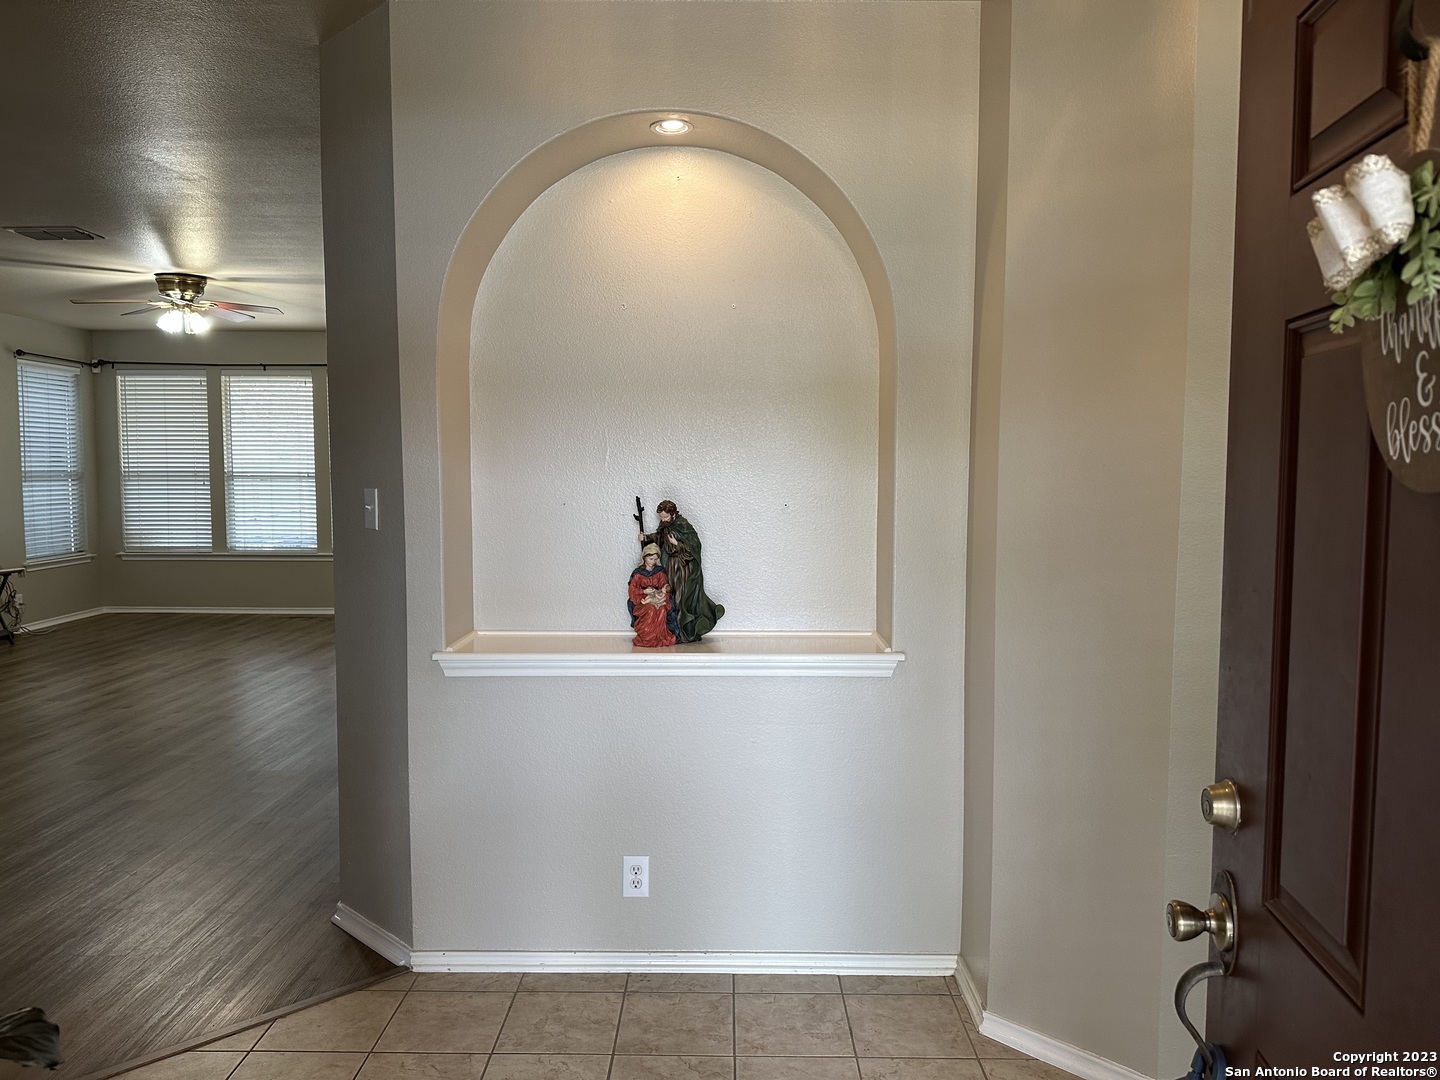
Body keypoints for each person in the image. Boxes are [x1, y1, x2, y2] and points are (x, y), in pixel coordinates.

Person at [638, 500, 724, 643]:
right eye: (661, 517)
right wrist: (646, 537)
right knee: (670, 595)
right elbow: (660, 537)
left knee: (682, 597)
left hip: (684, 568)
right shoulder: (665, 525)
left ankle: (685, 631)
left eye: (665, 517)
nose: (663, 520)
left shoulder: (683, 525)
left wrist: (677, 544)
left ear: (673, 514)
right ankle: (673, 629)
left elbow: (695, 545)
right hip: (671, 566)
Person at [628, 544, 676, 648]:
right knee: (650, 610)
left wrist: (664, 589)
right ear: (644, 558)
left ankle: (659, 637)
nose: (653, 562)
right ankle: (646, 638)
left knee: (662, 610)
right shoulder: (638, 573)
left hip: (657, 597)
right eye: (650, 559)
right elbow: (632, 590)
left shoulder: (659, 572)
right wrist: (644, 591)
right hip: (643, 600)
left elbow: (665, 585)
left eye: (655, 559)